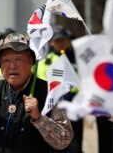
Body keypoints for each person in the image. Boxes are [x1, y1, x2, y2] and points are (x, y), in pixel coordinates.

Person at [0, 23, 74, 153]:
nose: (12, 66)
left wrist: (39, 118)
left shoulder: (50, 93)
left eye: (18, 59)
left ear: (30, 61)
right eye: (6, 61)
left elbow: (64, 140)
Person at [37, 25, 83, 153]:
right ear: (52, 43)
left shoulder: (78, 59)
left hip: (75, 106)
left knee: (76, 142)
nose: (61, 43)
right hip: (55, 108)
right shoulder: (45, 62)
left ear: (68, 40)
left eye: (63, 40)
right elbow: (44, 87)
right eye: (57, 41)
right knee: (57, 142)